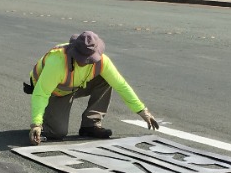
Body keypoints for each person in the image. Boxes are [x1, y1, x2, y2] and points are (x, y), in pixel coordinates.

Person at [23, 31, 159, 145]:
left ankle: (90, 124)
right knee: (57, 133)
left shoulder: (102, 61)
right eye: (81, 58)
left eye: (89, 58)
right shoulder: (57, 62)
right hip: (55, 92)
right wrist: (36, 124)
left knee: (106, 79)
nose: (85, 62)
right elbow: (41, 93)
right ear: (74, 52)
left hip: (75, 86)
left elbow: (121, 85)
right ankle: (47, 121)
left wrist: (142, 110)